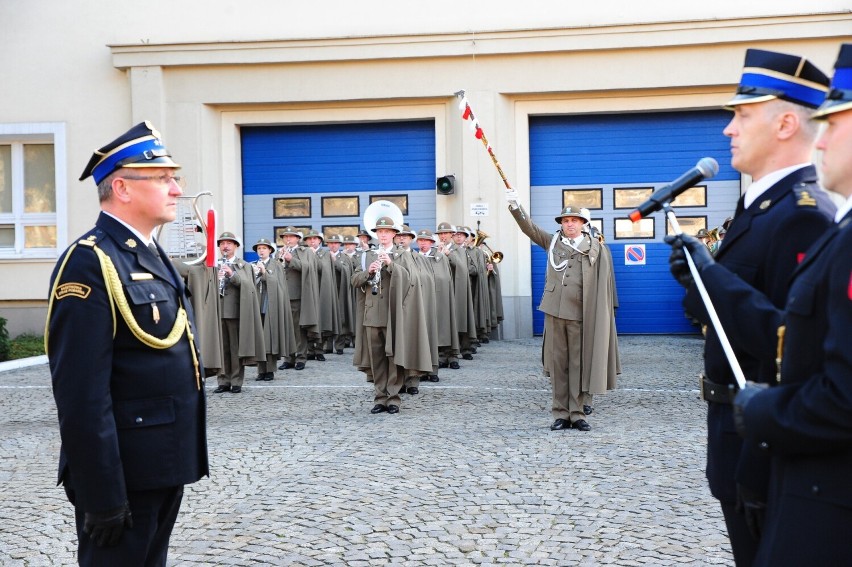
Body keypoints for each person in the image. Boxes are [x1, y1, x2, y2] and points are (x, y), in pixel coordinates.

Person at [663, 48, 835, 566]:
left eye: (743, 115)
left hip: (765, 439)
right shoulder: (758, 207)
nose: (728, 130)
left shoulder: (803, 214)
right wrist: (700, 282)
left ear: (786, 123)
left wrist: (712, 278)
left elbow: (795, 347)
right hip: (734, 427)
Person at [46, 121, 208, 565]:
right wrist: (102, 494)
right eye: (163, 178)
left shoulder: (148, 252)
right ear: (122, 187)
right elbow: (81, 394)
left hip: (160, 464)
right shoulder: (90, 262)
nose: (176, 189)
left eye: (175, 178)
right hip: (123, 476)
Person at [507, 202, 619, 432]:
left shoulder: (595, 248)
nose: (569, 224)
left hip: (580, 313)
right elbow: (529, 228)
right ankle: (560, 413)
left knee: (578, 364)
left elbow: (603, 283)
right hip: (555, 312)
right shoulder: (552, 243)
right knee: (559, 365)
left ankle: (577, 413)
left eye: (574, 220)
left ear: (583, 223)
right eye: (565, 221)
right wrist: (515, 206)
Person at [351, 217, 430, 414]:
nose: (383, 235)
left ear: (394, 234)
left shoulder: (402, 255)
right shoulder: (366, 255)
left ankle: (393, 398)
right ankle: (380, 397)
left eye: (387, 231)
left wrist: (391, 265)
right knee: (376, 356)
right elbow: (354, 280)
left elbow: (412, 279)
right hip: (372, 312)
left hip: (393, 312)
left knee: (393, 355)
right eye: (380, 231)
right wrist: (367, 273)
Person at [416, 228, 459, 382]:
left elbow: (445, 277)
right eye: (420, 240)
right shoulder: (414, 258)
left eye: (426, 240)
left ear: (431, 242)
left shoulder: (439, 257)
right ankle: (421, 370)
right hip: (420, 301)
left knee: (436, 335)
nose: (423, 243)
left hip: (438, 300)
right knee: (422, 337)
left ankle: (434, 370)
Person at [252, 237, 296, 382]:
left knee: (270, 338)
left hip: (270, 305)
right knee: (259, 338)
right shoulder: (252, 264)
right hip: (257, 303)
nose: (261, 251)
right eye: (259, 248)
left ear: (270, 250)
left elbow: (277, 283)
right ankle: (260, 370)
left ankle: (270, 370)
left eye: (264, 248)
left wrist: (264, 273)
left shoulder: (276, 264)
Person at [277, 227, 320, 371]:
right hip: (282, 295)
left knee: (298, 329)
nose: (288, 239)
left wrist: (291, 259)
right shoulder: (280, 252)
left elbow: (308, 268)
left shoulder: (305, 251)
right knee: (286, 328)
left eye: (291, 236)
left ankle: (301, 358)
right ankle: (288, 358)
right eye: (285, 237)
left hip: (297, 295)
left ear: (297, 238)